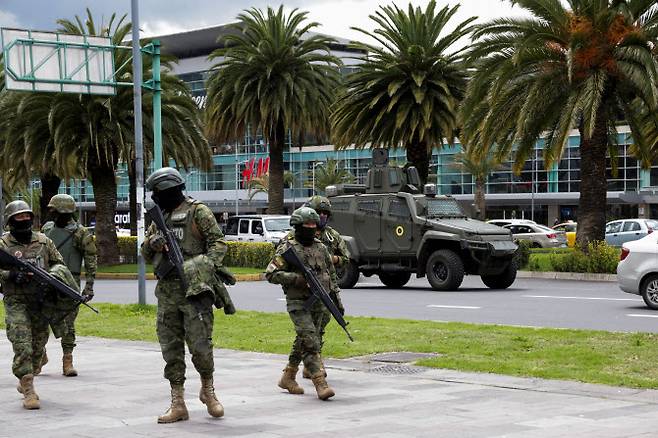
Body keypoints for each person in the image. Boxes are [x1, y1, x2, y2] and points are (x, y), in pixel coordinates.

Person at [142, 167, 228, 423]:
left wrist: (200, 268)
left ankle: (208, 390)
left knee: (201, 347)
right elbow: (145, 254)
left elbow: (219, 244)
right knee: (171, 348)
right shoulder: (159, 217)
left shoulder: (197, 211)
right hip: (168, 292)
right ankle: (177, 402)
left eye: (158, 193)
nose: (156, 198)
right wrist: (152, 244)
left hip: (195, 290)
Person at [0, 200, 74, 409]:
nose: (24, 220)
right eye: (19, 216)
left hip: (41, 301)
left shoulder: (43, 242)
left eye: (27, 216)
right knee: (22, 343)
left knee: (37, 346)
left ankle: (30, 372)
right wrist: (11, 274)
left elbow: (59, 263)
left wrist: (52, 276)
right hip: (16, 301)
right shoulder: (3, 245)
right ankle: (28, 388)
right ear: (10, 220)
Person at [265, 206, 339, 400]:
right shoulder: (287, 248)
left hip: (319, 301)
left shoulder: (321, 247)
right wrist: (296, 279)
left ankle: (288, 376)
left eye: (314, 225)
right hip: (298, 302)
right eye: (307, 225)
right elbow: (271, 274)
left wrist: (336, 300)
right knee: (310, 340)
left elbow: (331, 275)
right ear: (297, 226)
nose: (311, 228)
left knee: (304, 338)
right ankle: (320, 382)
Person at [40, 194, 97, 377]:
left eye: (54, 210)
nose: (51, 214)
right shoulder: (47, 229)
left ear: (63, 212)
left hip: (69, 283)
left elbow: (90, 260)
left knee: (68, 323)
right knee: (39, 321)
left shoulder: (81, 233)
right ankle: (39, 355)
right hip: (46, 280)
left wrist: (89, 286)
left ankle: (68, 359)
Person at [302, 195, 348, 378]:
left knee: (321, 325)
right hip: (304, 289)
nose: (322, 216)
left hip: (326, 287)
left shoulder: (332, 236)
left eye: (325, 214)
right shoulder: (302, 233)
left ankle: (312, 363)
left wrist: (331, 259)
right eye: (318, 213)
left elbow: (346, 259)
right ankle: (309, 364)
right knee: (306, 329)